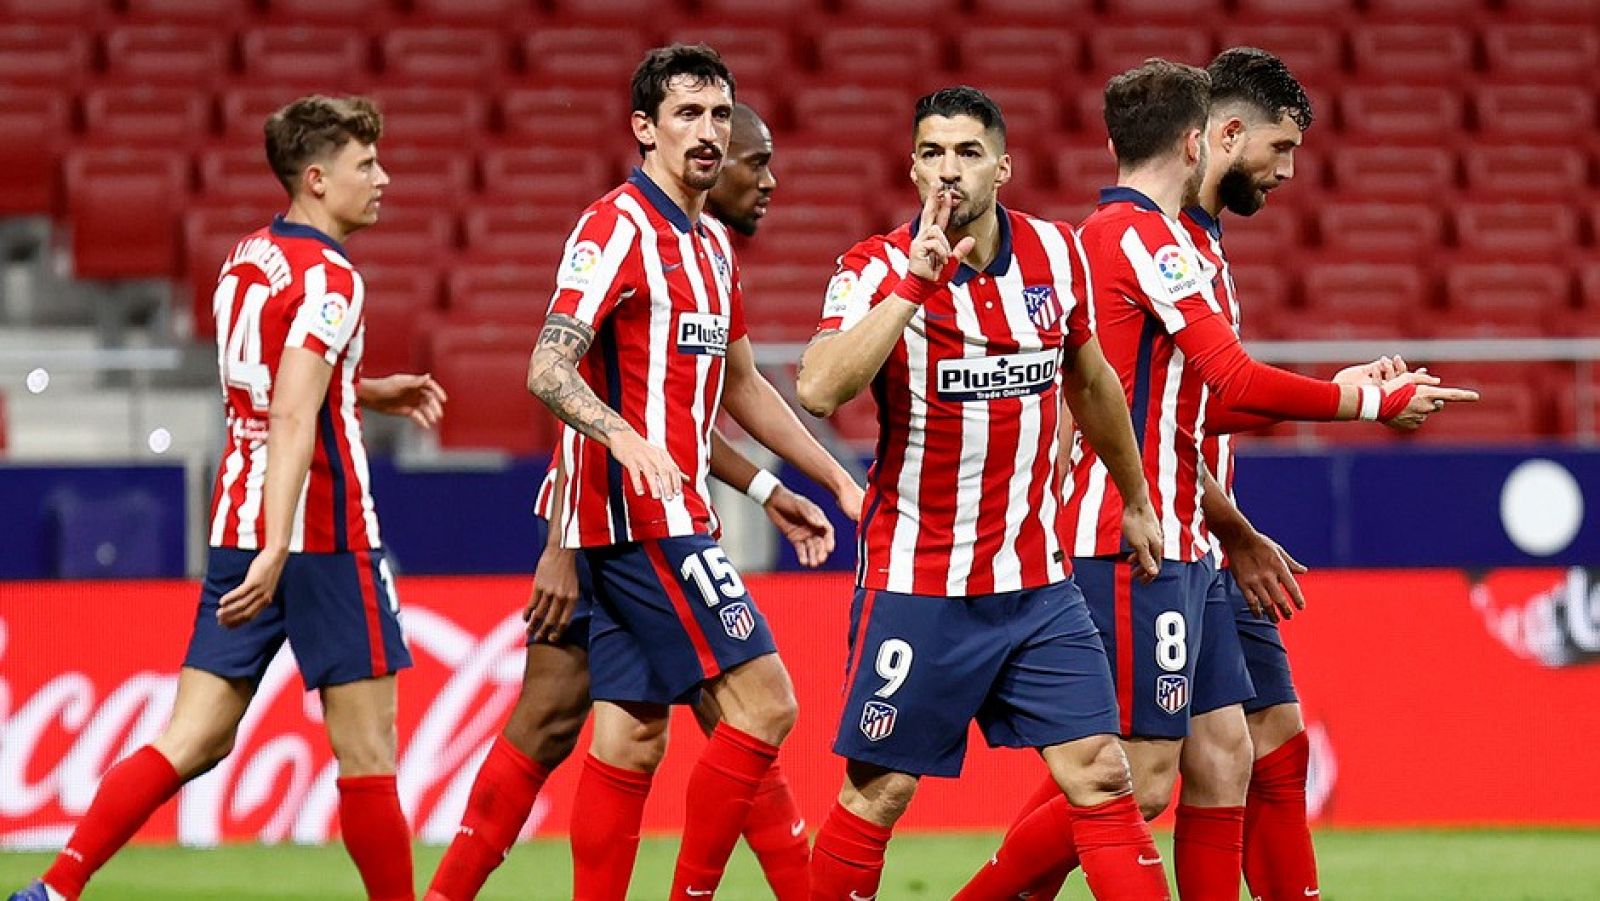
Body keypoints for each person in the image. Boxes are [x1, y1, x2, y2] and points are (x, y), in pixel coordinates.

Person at [962, 59, 1476, 901]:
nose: (1289, 171)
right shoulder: (1143, 240)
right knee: (1131, 775)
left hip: (1192, 535)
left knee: (1241, 748)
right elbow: (1192, 396)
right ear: (1212, 137)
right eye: (1282, 147)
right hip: (1138, 533)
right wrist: (1364, 401)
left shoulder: (1189, 242)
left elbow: (1191, 407)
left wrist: (1319, 411)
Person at [9, 95, 448, 901]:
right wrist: (282, 541)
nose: (382, 179)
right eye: (365, 165)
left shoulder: (247, 257)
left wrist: (361, 387)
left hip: (237, 523)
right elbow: (291, 414)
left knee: (193, 736)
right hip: (319, 534)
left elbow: (272, 384)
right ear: (317, 179)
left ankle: (55, 887)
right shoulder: (332, 278)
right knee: (369, 752)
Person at [425, 101, 829, 901]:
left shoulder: (710, 252)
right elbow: (575, 384)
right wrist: (561, 546)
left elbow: (680, 422)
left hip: (631, 515)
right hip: (622, 523)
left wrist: (766, 486)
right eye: (756, 162)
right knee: (749, 710)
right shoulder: (621, 230)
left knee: (614, 732)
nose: (769, 181)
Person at [795, 86, 1173, 901]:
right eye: (932, 153)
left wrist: (1136, 497)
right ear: (911, 168)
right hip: (919, 581)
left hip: (1036, 581)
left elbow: (1092, 382)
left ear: (1003, 166)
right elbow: (819, 388)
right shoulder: (872, 268)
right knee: (880, 791)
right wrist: (912, 287)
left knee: (1103, 774)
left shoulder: (1057, 254)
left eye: (968, 152)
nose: (948, 171)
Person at [524, 45, 862, 901]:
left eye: (717, 115)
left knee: (631, 738)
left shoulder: (710, 244)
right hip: (643, 519)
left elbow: (743, 386)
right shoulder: (613, 228)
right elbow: (548, 367)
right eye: (687, 115)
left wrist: (829, 479)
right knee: (768, 704)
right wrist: (622, 437)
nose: (707, 132)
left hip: (673, 515)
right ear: (645, 128)